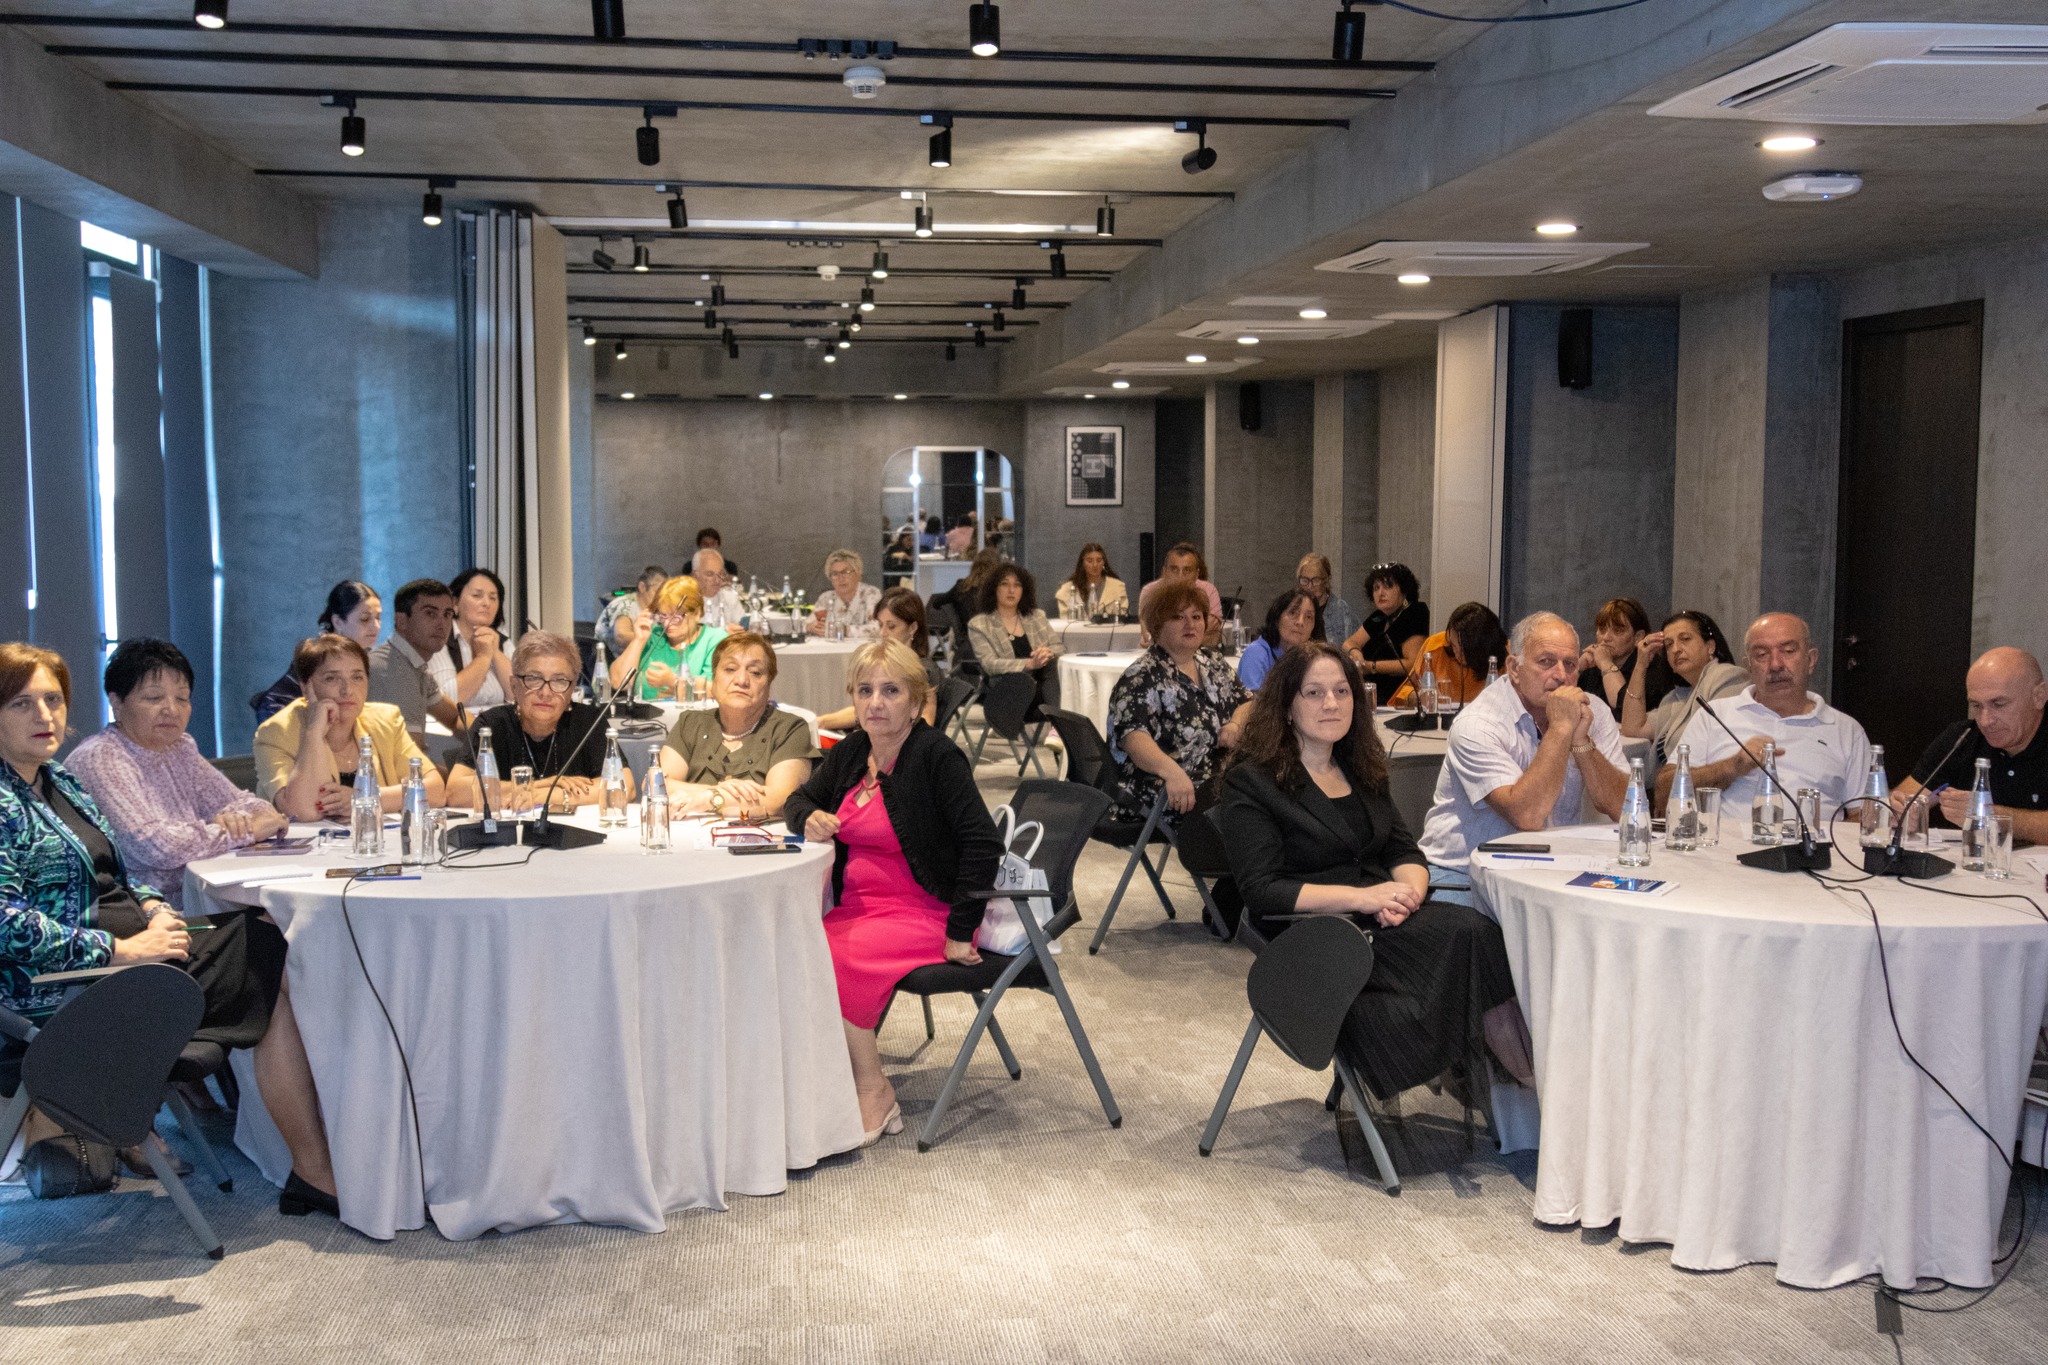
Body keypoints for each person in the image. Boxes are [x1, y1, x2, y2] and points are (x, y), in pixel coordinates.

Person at [0, 643, 339, 1217]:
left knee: (270, 935)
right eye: (21, 703)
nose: (44, 715)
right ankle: (312, 1165)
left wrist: (156, 911)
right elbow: (7, 925)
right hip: (72, 987)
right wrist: (122, 948)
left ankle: (304, 1154)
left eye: (53, 700)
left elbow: (123, 874)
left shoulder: (58, 783)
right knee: (272, 954)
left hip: (140, 956)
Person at [1220, 642, 1532, 1094]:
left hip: (1381, 916)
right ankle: (1529, 1087)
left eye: (1342, 691)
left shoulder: (1360, 766)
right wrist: (1365, 897)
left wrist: (1408, 895)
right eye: (1314, 693)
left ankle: (1520, 1085)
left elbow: (1404, 852)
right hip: (1313, 934)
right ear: (1286, 705)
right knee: (1469, 938)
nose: (1331, 703)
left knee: (1479, 933)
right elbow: (1263, 890)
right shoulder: (1252, 781)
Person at [785, 640, 1004, 1144]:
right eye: (865, 691)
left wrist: (960, 930)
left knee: (835, 953)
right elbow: (798, 798)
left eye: (891, 691)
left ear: (915, 700)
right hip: (860, 909)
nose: (876, 703)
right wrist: (808, 816)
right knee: (795, 941)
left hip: (928, 910)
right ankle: (830, 1077)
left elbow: (982, 844)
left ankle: (874, 1089)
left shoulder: (935, 756)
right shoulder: (852, 752)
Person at [1418, 611, 1630, 901]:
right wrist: (1561, 729)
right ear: (1514, 668)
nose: (1561, 675)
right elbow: (1527, 815)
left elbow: (1624, 808)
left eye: (1570, 664)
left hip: (1549, 871)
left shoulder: (1594, 712)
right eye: (1546, 662)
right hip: (1464, 876)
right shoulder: (1478, 723)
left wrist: (1581, 741)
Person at [69, 639, 289, 911]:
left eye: (182, 698)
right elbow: (155, 845)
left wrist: (237, 819)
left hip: (199, 899)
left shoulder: (180, 747)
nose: (171, 709)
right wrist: (238, 831)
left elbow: (252, 806)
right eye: (154, 698)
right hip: (142, 914)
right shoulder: (101, 757)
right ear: (116, 702)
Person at [1673, 612, 1874, 820]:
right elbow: (1665, 793)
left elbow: (1863, 816)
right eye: (1762, 655)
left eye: (1788, 651)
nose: (1776, 665)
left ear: (1811, 660)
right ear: (1748, 667)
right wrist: (1732, 767)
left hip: (1812, 839)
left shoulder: (1846, 730)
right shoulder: (1714, 716)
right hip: (1728, 840)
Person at [1107, 581, 1252, 830]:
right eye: (1178, 617)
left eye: (1196, 617)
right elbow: (1133, 738)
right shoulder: (1141, 675)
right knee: (1249, 805)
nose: (1190, 624)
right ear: (1156, 625)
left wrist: (1236, 724)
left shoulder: (1213, 662)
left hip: (1216, 776)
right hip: (1162, 784)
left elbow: (1248, 702)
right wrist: (1171, 771)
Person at [258, 634, 445, 821]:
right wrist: (314, 734)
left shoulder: (386, 721)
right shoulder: (276, 732)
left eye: (357, 677)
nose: (347, 690)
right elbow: (301, 812)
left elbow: (435, 790)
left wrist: (364, 799)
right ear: (306, 687)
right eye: (331, 678)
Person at [446, 631, 631, 812]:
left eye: (559, 681)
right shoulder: (492, 724)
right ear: (514, 685)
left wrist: (546, 795)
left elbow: (624, 787)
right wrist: (539, 785)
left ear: (572, 689)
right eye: (534, 679)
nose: (546, 692)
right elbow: (456, 792)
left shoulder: (589, 722)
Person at [656, 632, 821, 819]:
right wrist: (719, 790)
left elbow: (780, 800)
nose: (741, 680)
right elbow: (656, 785)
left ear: (769, 683)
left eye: (755, 672)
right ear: (714, 679)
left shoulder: (789, 729)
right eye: (730, 669)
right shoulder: (691, 723)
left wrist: (713, 798)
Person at [1892, 647, 2048, 843]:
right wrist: (1901, 809)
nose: (1985, 720)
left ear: (2039, 697)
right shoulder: (1963, 737)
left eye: (1998, 704)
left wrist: (1991, 816)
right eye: (1976, 705)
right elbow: (1906, 796)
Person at [1621, 610, 1745, 781]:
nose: (1676, 649)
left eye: (1685, 639)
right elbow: (1633, 727)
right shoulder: (1677, 697)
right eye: (1668, 645)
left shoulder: (1726, 677)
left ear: (1710, 646)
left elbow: (1713, 744)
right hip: (1669, 787)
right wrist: (1641, 664)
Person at [250, 580, 381, 723]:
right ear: (338, 622)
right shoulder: (317, 656)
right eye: (365, 619)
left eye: (378, 617)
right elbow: (273, 709)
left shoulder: (369, 657)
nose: (376, 626)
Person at [818, 589, 940, 730]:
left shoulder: (923, 670)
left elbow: (925, 721)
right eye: (881, 625)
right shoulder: (888, 663)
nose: (883, 633)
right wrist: (822, 721)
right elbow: (861, 710)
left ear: (912, 628)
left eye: (891, 626)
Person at [366, 578, 464, 750]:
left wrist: (492, 739)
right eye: (430, 614)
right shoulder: (390, 669)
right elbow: (411, 758)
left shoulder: (414, 663)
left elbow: (455, 718)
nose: (442, 624)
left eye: (447, 614)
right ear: (401, 621)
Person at [611, 574, 727, 701]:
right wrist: (638, 640)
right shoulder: (654, 635)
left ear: (697, 613)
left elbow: (719, 690)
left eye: (675, 617)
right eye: (663, 616)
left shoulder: (714, 640)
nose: (667, 624)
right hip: (645, 712)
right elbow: (618, 683)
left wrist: (673, 681)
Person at [967, 563, 1063, 715]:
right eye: (1005, 584)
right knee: (1032, 680)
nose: (1011, 590)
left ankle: (1055, 723)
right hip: (1006, 688)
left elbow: (1059, 647)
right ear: (994, 589)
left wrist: (1046, 653)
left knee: (1053, 664)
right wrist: (1029, 664)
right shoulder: (979, 624)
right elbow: (989, 664)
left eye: (1017, 585)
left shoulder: (1036, 616)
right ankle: (1057, 721)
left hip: (1041, 687)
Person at [1390, 602, 1507, 708]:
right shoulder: (1435, 646)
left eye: (1465, 649)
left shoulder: (1504, 656)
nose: (1457, 653)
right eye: (1453, 645)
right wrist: (1418, 698)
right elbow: (1401, 697)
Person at [1342, 563, 1429, 698]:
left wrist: (1371, 667)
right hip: (1370, 692)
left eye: (1388, 586)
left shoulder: (1415, 612)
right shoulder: (1378, 617)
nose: (1380, 593)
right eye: (1376, 588)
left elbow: (1412, 664)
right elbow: (1349, 643)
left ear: (1404, 590)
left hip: (1400, 695)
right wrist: (1356, 653)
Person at [1576, 597, 1672, 719]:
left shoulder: (1654, 670)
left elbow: (1625, 710)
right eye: (1602, 629)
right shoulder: (1592, 669)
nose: (1605, 638)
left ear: (1637, 637)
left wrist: (1606, 664)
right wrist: (1575, 669)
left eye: (1617, 631)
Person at [437, 567, 514, 713]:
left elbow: (521, 695)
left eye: (493, 598)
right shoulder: (438, 640)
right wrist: (483, 658)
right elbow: (446, 699)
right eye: (477, 595)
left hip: (497, 723)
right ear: (455, 603)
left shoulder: (504, 642)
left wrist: (495, 652)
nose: (486, 603)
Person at [1137, 542, 1224, 648]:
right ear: (1164, 572)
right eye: (1174, 569)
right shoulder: (1149, 591)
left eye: (1187, 570)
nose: (1180, 576)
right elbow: (1148, 633)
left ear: (1197, 574)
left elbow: (1212, 630)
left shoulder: (1208, 590)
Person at [1236, 589, 1323, 691]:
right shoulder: (1256, 653)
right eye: (1293, 613)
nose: (1300, 622)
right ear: (1277, 618)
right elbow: (1252, 700)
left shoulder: (1311, 659)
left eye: (1308, 617)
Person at [810, 549, 883, 639]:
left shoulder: (871, 594)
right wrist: (811, 627)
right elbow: (806, 623)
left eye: (846, 572)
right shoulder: (826, 598)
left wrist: (843, 630)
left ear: (858, 574)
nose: (841, 578)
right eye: (835, 574)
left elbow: (878, 628)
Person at [1296, 553, 1360, 651]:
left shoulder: (1341, 610)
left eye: (1316, 580)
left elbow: (1352, 649)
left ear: (1327, 580)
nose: (1310, 586)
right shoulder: (1293, 609)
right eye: (1305, 580)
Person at [1055, 543, 1131, 621]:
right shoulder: (1067, 590)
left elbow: (1122, 618)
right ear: (1083, 563)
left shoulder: (1117, 587)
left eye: (1099, 560)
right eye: (1090, 561)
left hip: (1108, 628)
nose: (1095, 565)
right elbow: (1065, 620)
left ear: (1104, 563)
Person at [600, 565, 667, 649]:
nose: (661, 597)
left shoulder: (658, 609)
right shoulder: (625, 604)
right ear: (642, 587)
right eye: (657, 591)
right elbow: (621, 636)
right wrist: (652, 640)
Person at [690, 548, 744, 631]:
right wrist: (724, 632)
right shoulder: (687, 601)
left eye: (720, 574)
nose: (717, 580)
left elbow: (742, 627)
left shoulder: (729, 597)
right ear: (695, 575)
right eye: (710, 574)